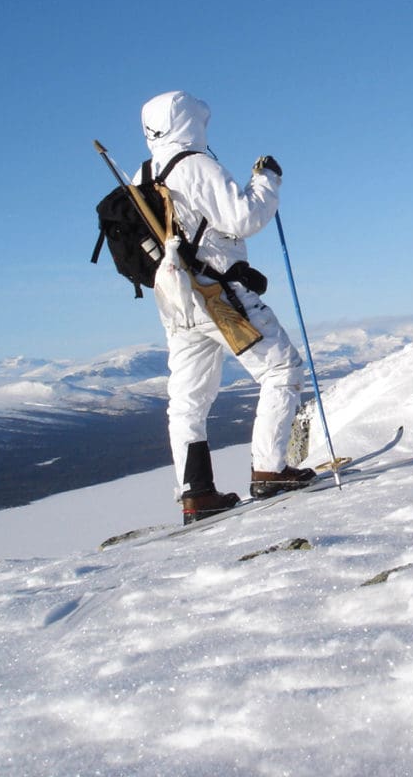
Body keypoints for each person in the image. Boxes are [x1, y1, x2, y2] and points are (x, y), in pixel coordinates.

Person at [138, 90, 314, 523]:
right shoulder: (193, 165)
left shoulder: (147, 172)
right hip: (216, 296)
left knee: (187, 401)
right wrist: (267, 179)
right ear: (187, 121)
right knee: (280, 370)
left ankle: (196, 494)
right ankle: (270, 469)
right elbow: (243, 219)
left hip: (176, 300)